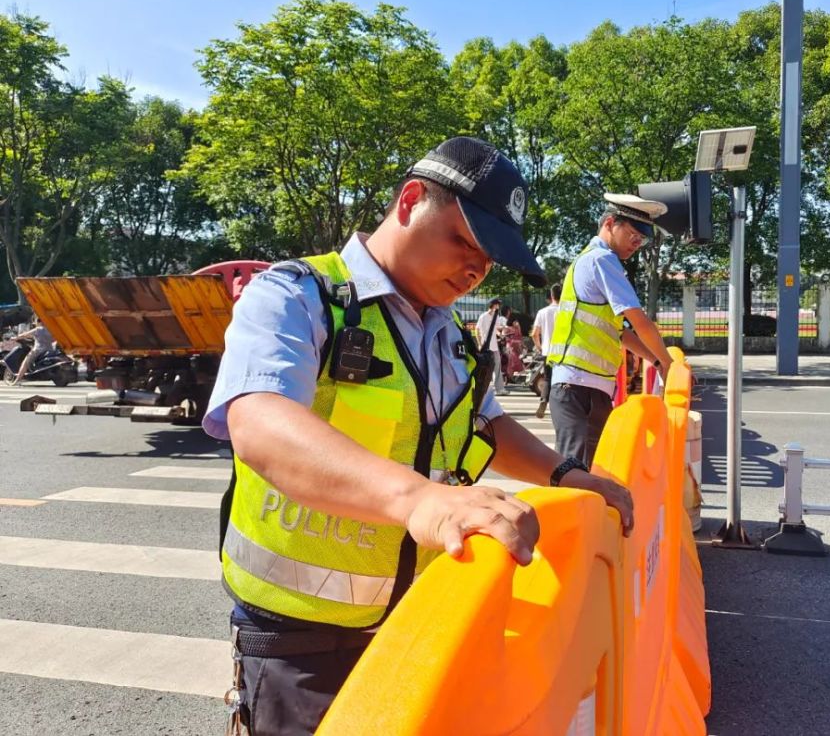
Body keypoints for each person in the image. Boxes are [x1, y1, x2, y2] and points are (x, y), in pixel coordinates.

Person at [204, 136, 635, 736]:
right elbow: (258, 420)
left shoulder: (452, 334)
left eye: (490, 258)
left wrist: (570, 475)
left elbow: (488, 423)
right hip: (300, 645)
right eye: (465, 241)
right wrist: (420, 499)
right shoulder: (298, 295)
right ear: (410, 200)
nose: (475, 268)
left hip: (419, 627)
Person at [548, 194, 677, 468]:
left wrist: (654, 359)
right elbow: (639, 320)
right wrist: (667, 363)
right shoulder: (601, 260)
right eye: (632, 234)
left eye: (641, 240)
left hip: (586, 387)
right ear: (609, 223)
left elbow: (620, 332)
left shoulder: (595, 261)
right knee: (578, 476)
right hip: (578, 387)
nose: (636, 243)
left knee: (589, 473)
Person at [530, 283, 561, 418]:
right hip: (564, 353)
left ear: (552, 296)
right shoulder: (566, 311)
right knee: (561, 381)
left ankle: (543, 400)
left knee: (548, 379)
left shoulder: (542, 312)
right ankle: (558, 407)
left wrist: (539, 346)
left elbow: (534, 333)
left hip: (548, 351)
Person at [474, 297, 507, 395]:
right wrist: (480, 343)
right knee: (485, 368)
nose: (498, 306)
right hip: (486, 346)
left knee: (497, 366)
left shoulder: (496, 316)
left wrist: (500, 334)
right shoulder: (483, 317)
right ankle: (482, 388)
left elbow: (495, 329)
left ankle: (499, 389)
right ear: (493, 305)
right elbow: (477, 330)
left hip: (494, 346)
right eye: (497, 304)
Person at [10, 318, 56, 385]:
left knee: (25, 363)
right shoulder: (50, 330)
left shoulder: (38, 329)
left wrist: (14, 338)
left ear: (39, 322)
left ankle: (17, 379)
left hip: (38, 350)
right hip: (50, 349)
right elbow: (53, 339)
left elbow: (24, 335)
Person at [499, 305, 524, 383]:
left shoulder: (501, 320)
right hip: (510, 345)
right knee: (511, 361)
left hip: (509, 344)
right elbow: (518, 332)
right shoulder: (506, 322)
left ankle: (509, 377)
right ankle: (509, 376)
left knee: (510, 361)